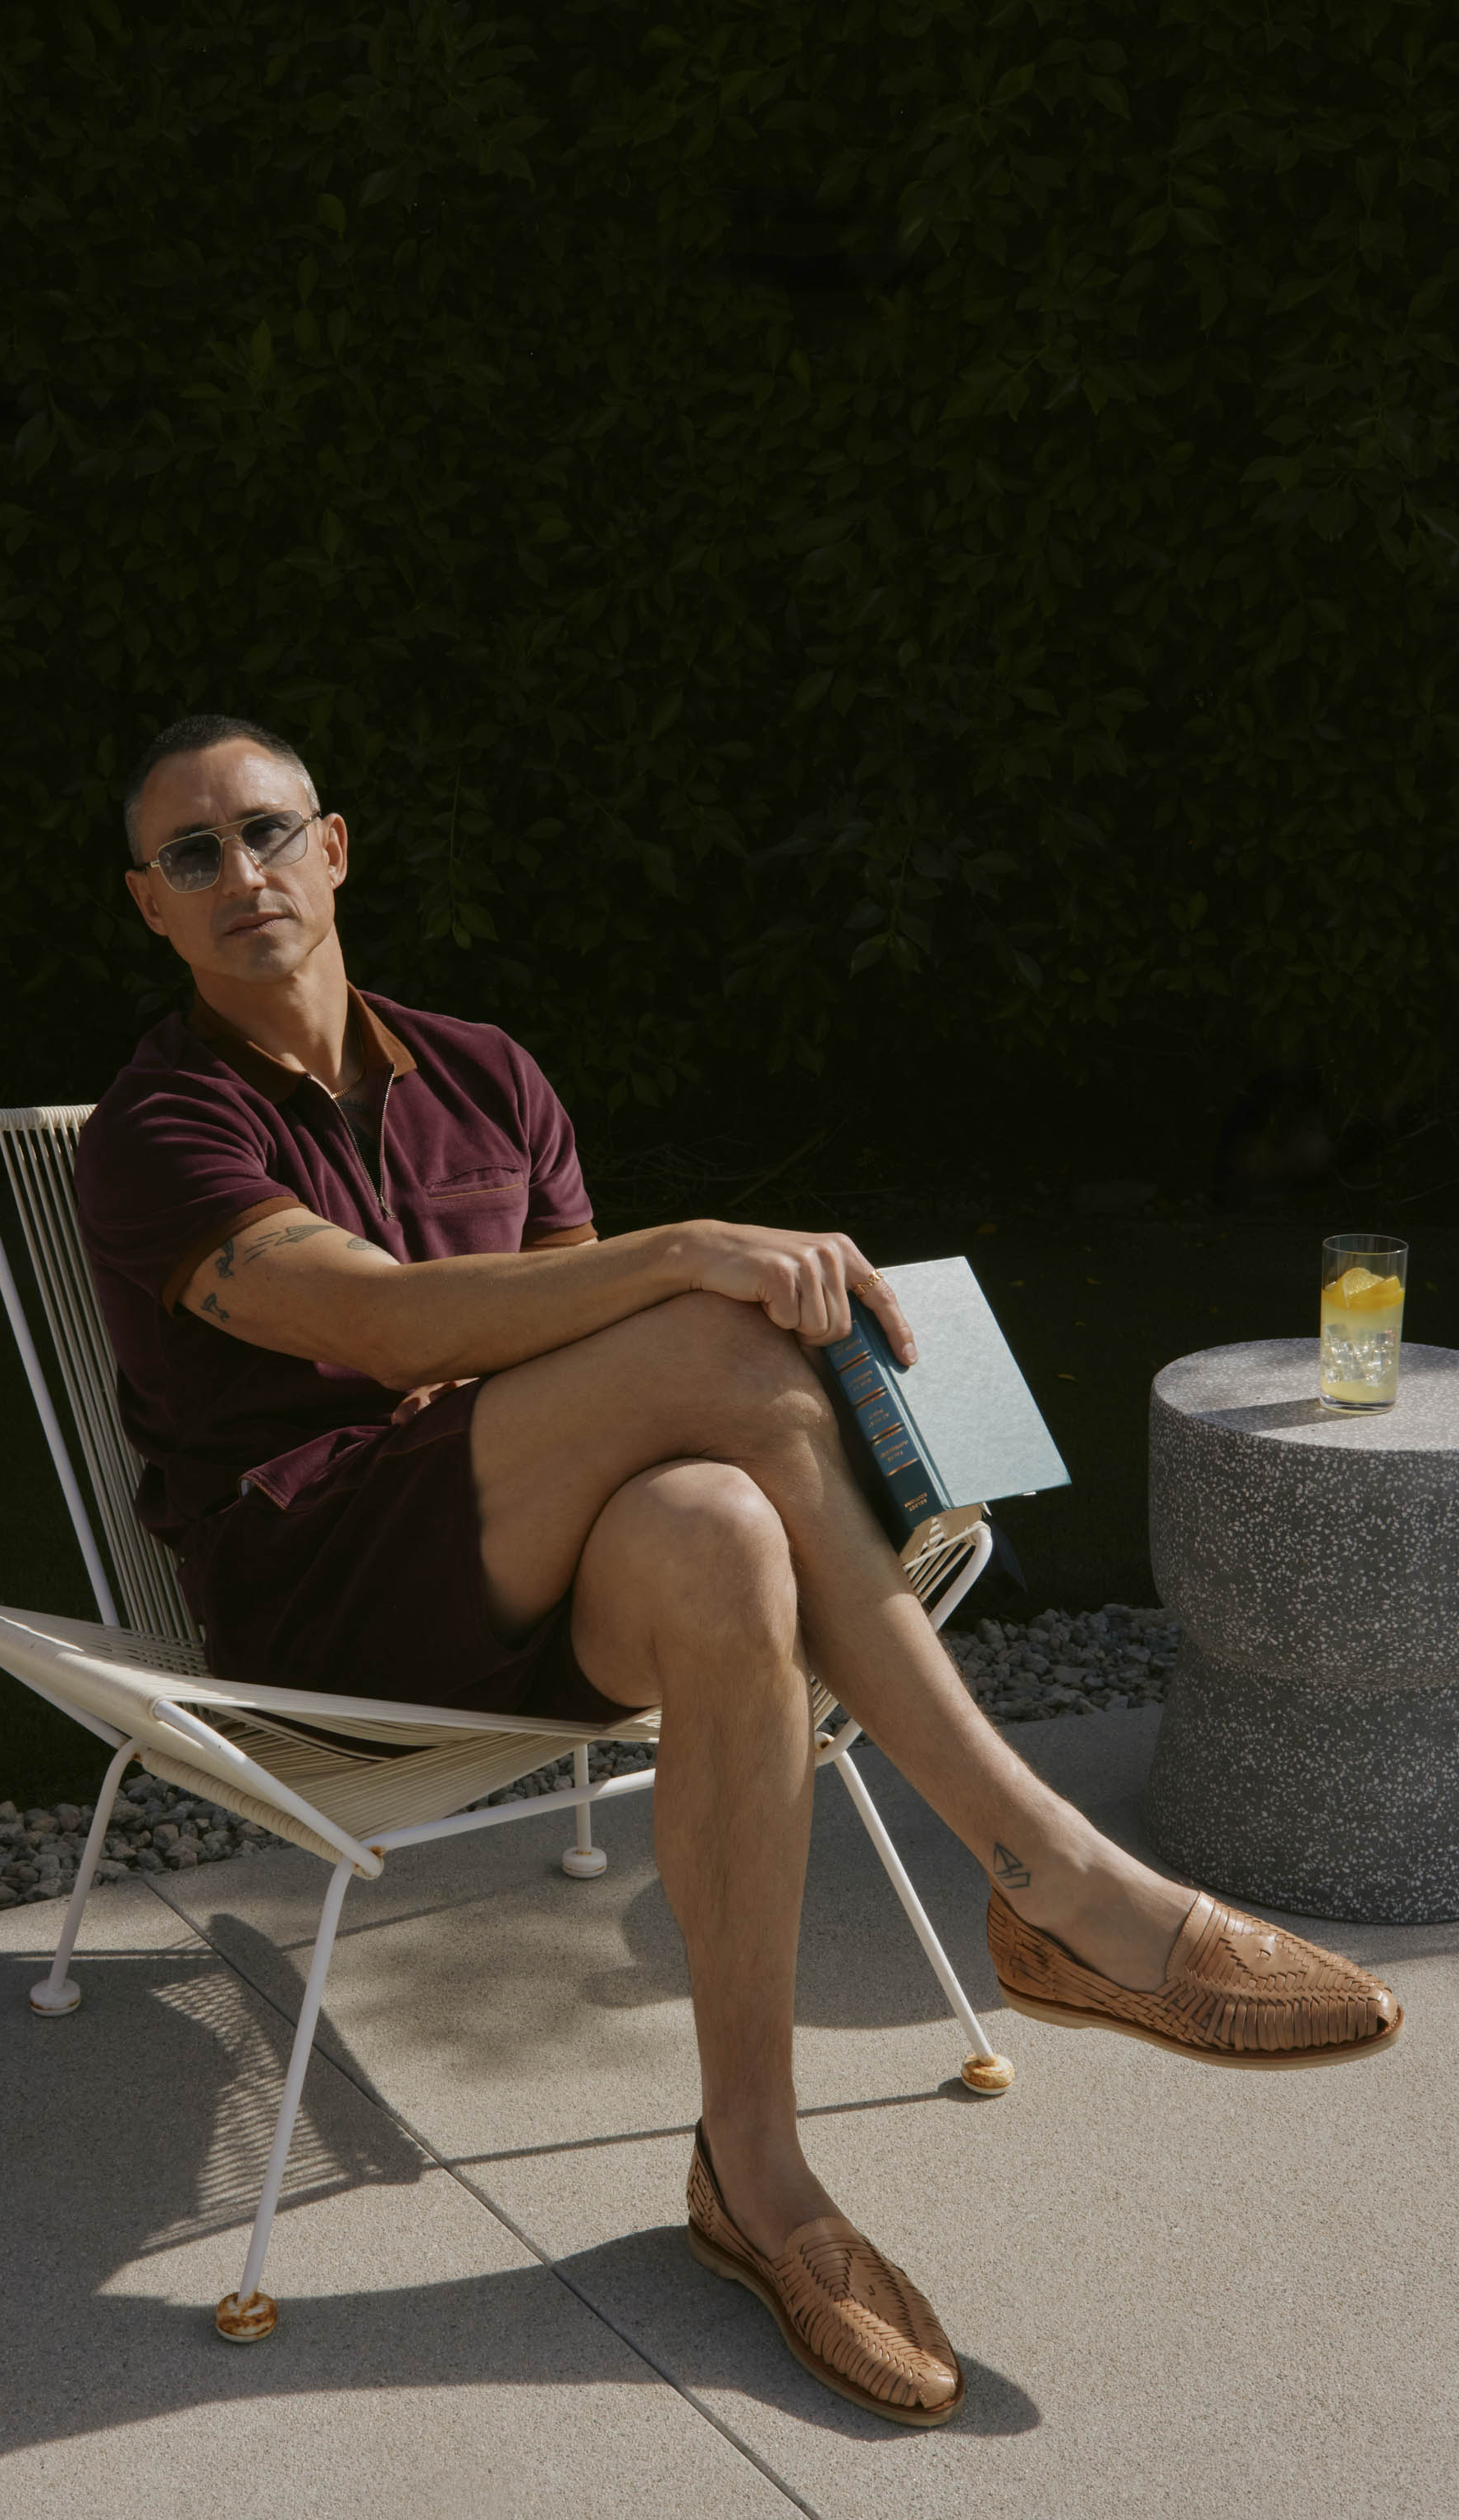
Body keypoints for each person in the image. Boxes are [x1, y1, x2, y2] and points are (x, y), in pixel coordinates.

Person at [77, 714, 1402, 2426]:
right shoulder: (157, 1127)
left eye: (267, 831)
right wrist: (696, 1253)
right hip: (324, 1598)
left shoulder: (486, 1074)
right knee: (711, 1337)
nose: (240, 872)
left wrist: (653, 1327)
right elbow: (383, 1325)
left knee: (716, 1529)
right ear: (151, 905)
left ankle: (755, 2182)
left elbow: (574, 1349)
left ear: (333, 849)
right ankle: (1054, 1875)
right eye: (192, 854)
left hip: (529, 1577)